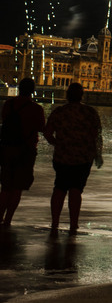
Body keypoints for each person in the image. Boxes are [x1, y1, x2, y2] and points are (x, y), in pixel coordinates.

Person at [44, 82, 103, 236]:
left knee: (59, 188)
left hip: (62, 156)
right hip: (83, 157)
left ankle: (55, 223)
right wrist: (96, 154)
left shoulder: (59, 112)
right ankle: (73, 224)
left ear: (67, 95)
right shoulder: (90, 112)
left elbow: (47, 133)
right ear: (82, 95)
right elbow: (96, 135)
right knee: (76, 190)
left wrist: (57, 143)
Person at [0, 78, 46, 226]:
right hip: (26, 151)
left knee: (5, 186)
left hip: (7, 148)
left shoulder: (8, 104)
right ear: (32, 91)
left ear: (19, 88)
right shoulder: (36, 109)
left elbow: (4, 121)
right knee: (17, 188)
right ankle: (8, 220)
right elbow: (41, 127)